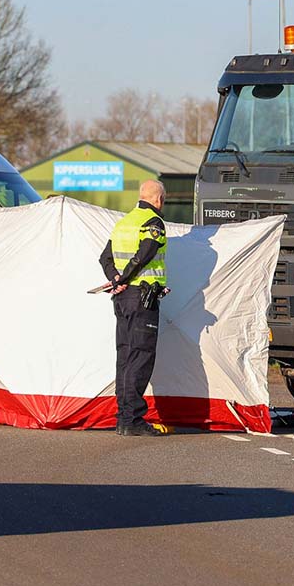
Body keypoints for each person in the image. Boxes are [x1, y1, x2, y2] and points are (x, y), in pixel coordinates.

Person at [98, 180, 170, 437]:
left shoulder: (123, 222)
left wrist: (116, 278)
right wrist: (126, 277)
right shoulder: (154, 222)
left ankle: (123, 418)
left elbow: (104, 257)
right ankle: (133, 420)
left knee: (125, 357)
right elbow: (146, 252)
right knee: (140, 357)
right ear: (159, 199)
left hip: (123, 298)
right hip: (142, 299)